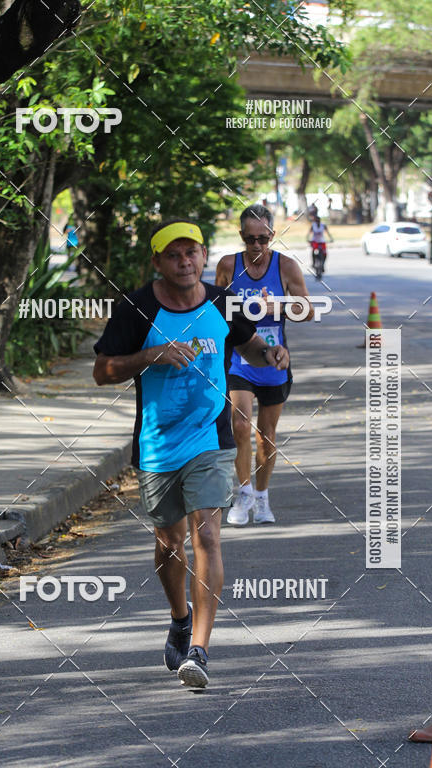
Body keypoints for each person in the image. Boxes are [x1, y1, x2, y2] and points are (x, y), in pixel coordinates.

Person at [93, 219, 289, 688]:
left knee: (208, 537)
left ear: (203, 257)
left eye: (193, 253)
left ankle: (199, 649)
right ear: (158, 262)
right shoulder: (136, 309)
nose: (185, 262)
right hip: (158, 443)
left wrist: (271, 356)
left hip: (212, 441)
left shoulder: (220, 302)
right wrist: (149, 356)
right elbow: (102, 371)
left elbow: (250, 343)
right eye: (174, 255)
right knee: (168, 544)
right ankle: (180, 618)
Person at [216, 203, 313, 526]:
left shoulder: (286, 267)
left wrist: (281, 305)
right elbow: (215, 309)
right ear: (241, 236)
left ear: (272, 235)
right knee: (240, 426)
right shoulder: (228, 265)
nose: (257, 246)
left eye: (263, 239)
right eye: (250, 239)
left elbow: (309, 311)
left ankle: (262, 496)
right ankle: (242, 495)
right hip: (239, 360)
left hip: (274, 360)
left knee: (266, 435)